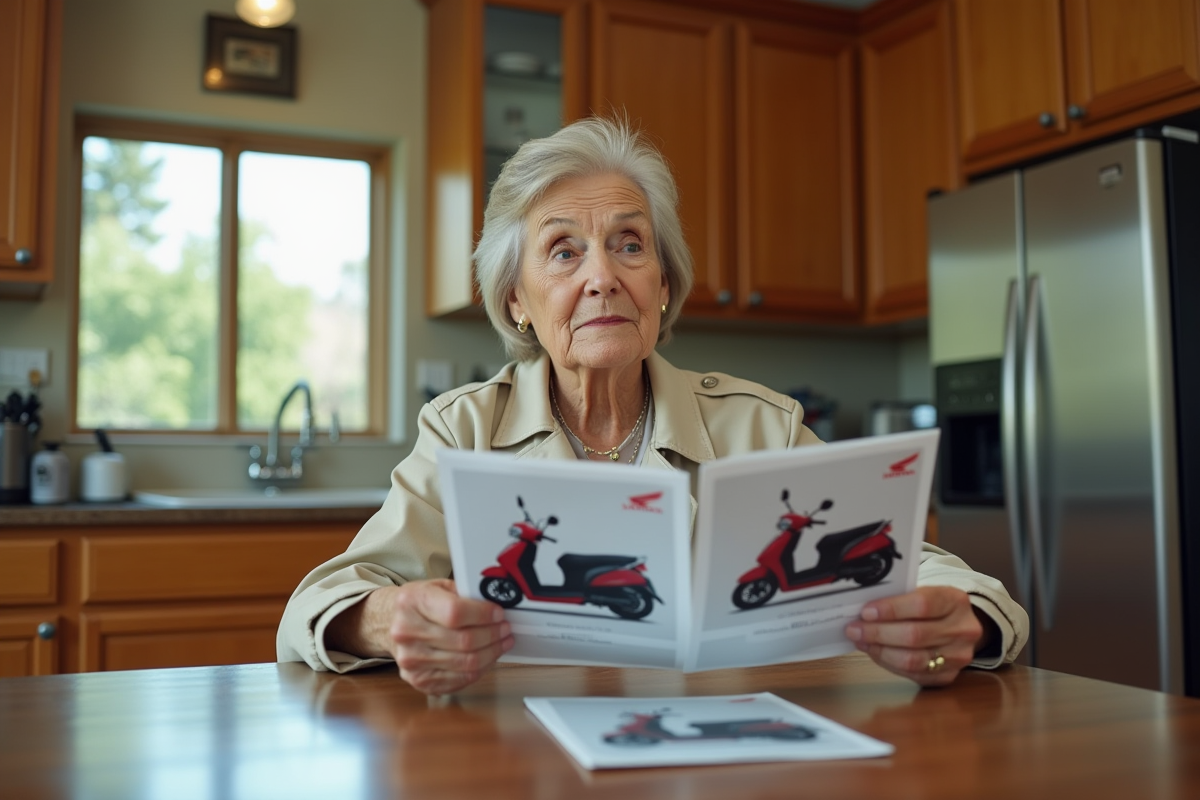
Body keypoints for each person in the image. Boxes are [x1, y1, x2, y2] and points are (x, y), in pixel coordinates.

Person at [277, 117, 1029, 696]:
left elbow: (943, 577)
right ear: (518, 301)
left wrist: (959, 617)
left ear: (662, 285)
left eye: (629, 245)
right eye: (564, 251)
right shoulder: (463, 429)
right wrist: (385, 622)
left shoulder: (761, 425)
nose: (602, 276)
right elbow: (317, 608)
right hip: (518, 759)